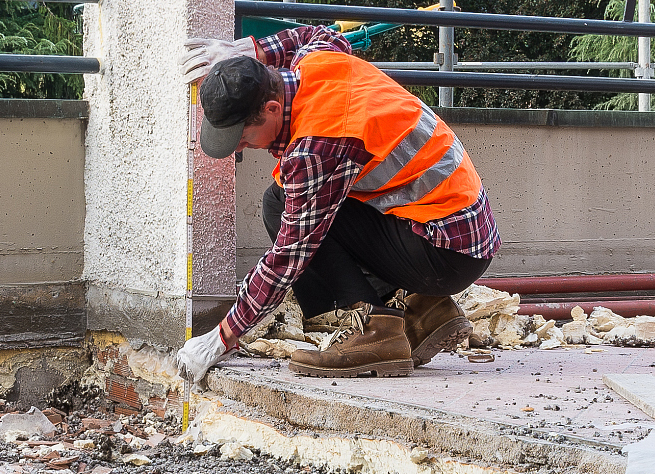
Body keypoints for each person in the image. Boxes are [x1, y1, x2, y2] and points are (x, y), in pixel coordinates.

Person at [174, 26, 498, 383]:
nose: (238, 148)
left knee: (286, 210)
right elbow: (319, 32)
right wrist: (246, 50)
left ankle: (375, 329)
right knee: (278, 198)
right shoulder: (315, 61)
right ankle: (424, 311)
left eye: (243, 136)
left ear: (270, 108)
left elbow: (288, 257)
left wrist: (220, 338)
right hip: (453, 230)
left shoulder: (316, 148)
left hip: (445, 253)